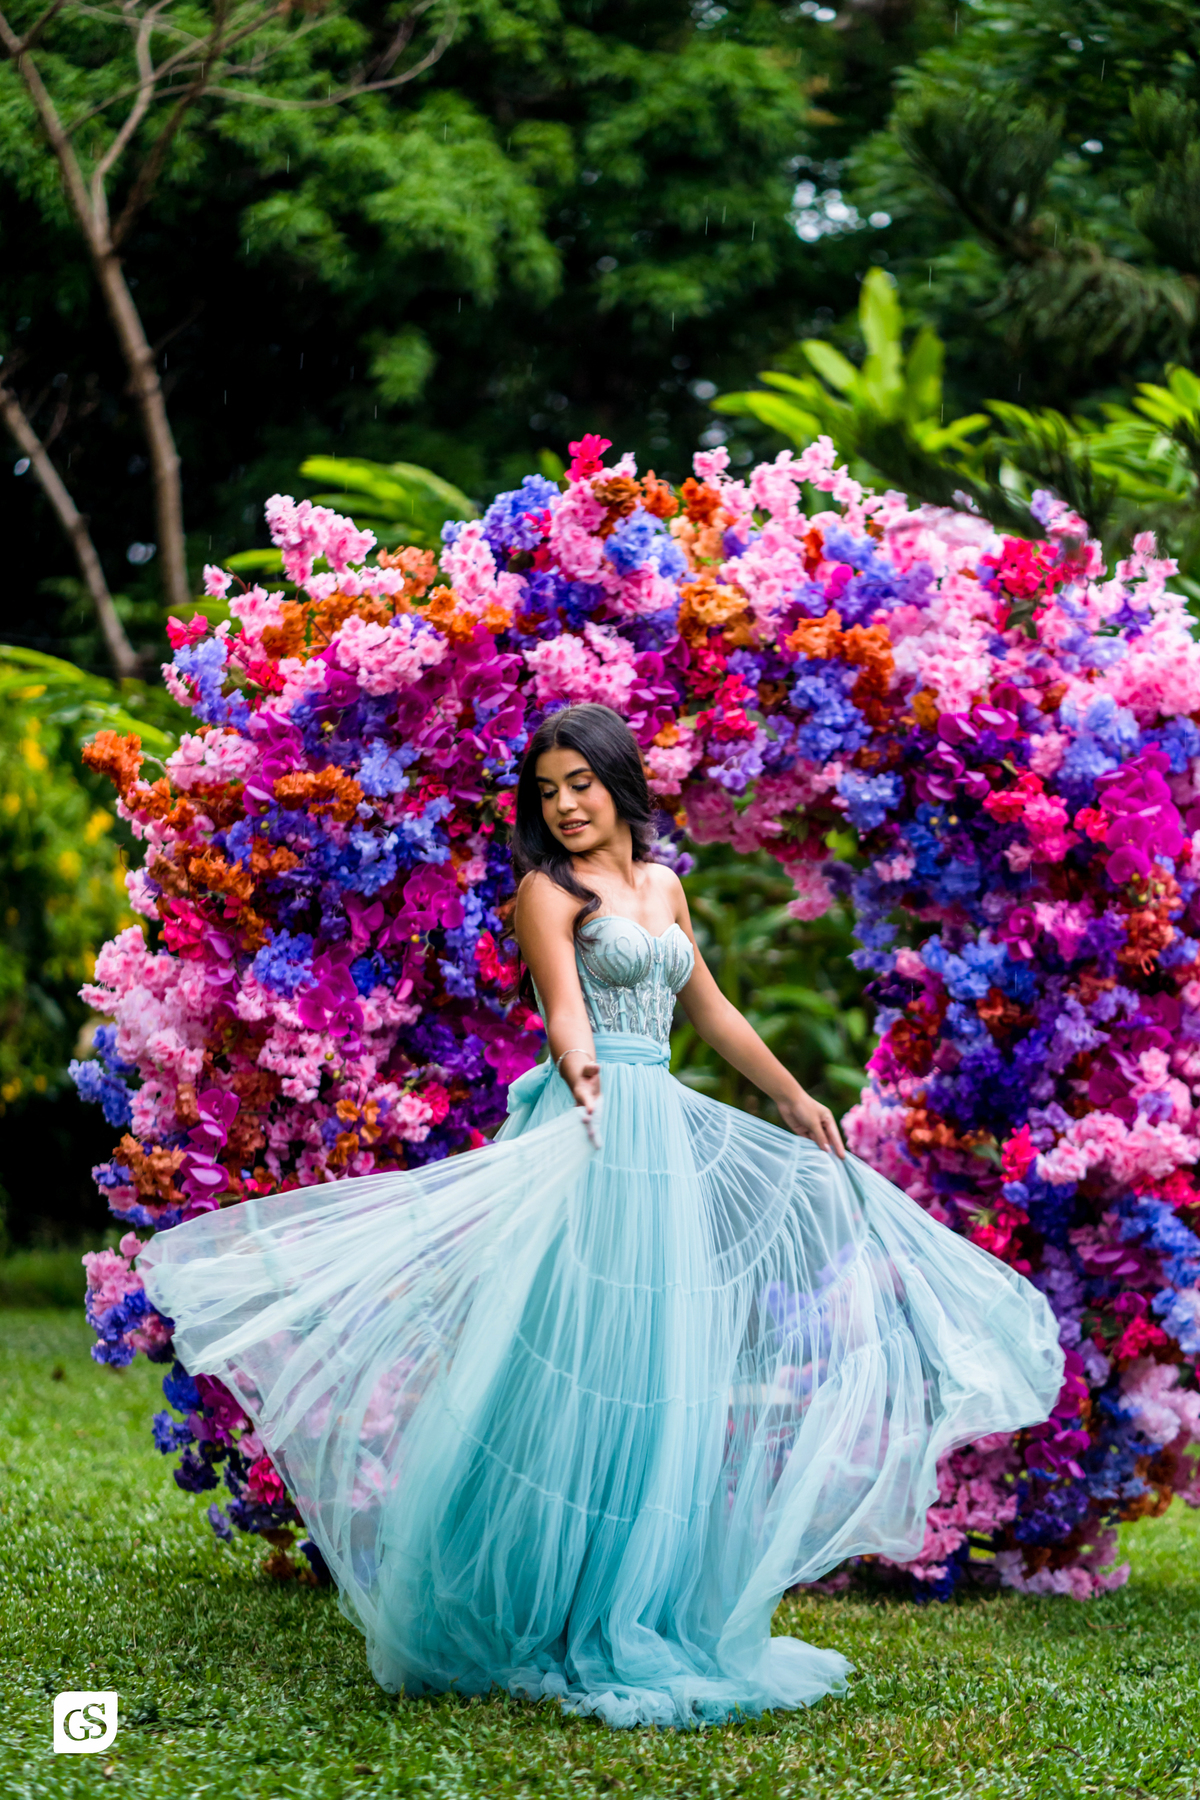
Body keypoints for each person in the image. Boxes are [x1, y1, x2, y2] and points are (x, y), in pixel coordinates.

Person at [138, 701, 1064, 1729]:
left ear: (620, 783)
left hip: (659, 1128)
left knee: (659, 1367)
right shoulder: (550, 890)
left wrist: (794, 1096)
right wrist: (582, 1077)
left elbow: (707, 1008)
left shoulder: (661, 885)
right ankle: (542, 1602)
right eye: (548, 792)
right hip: (593, 1125)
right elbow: (565, 1010)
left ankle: (640, 1600)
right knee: (579, 1363)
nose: (567, 806)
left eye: (582, 783)